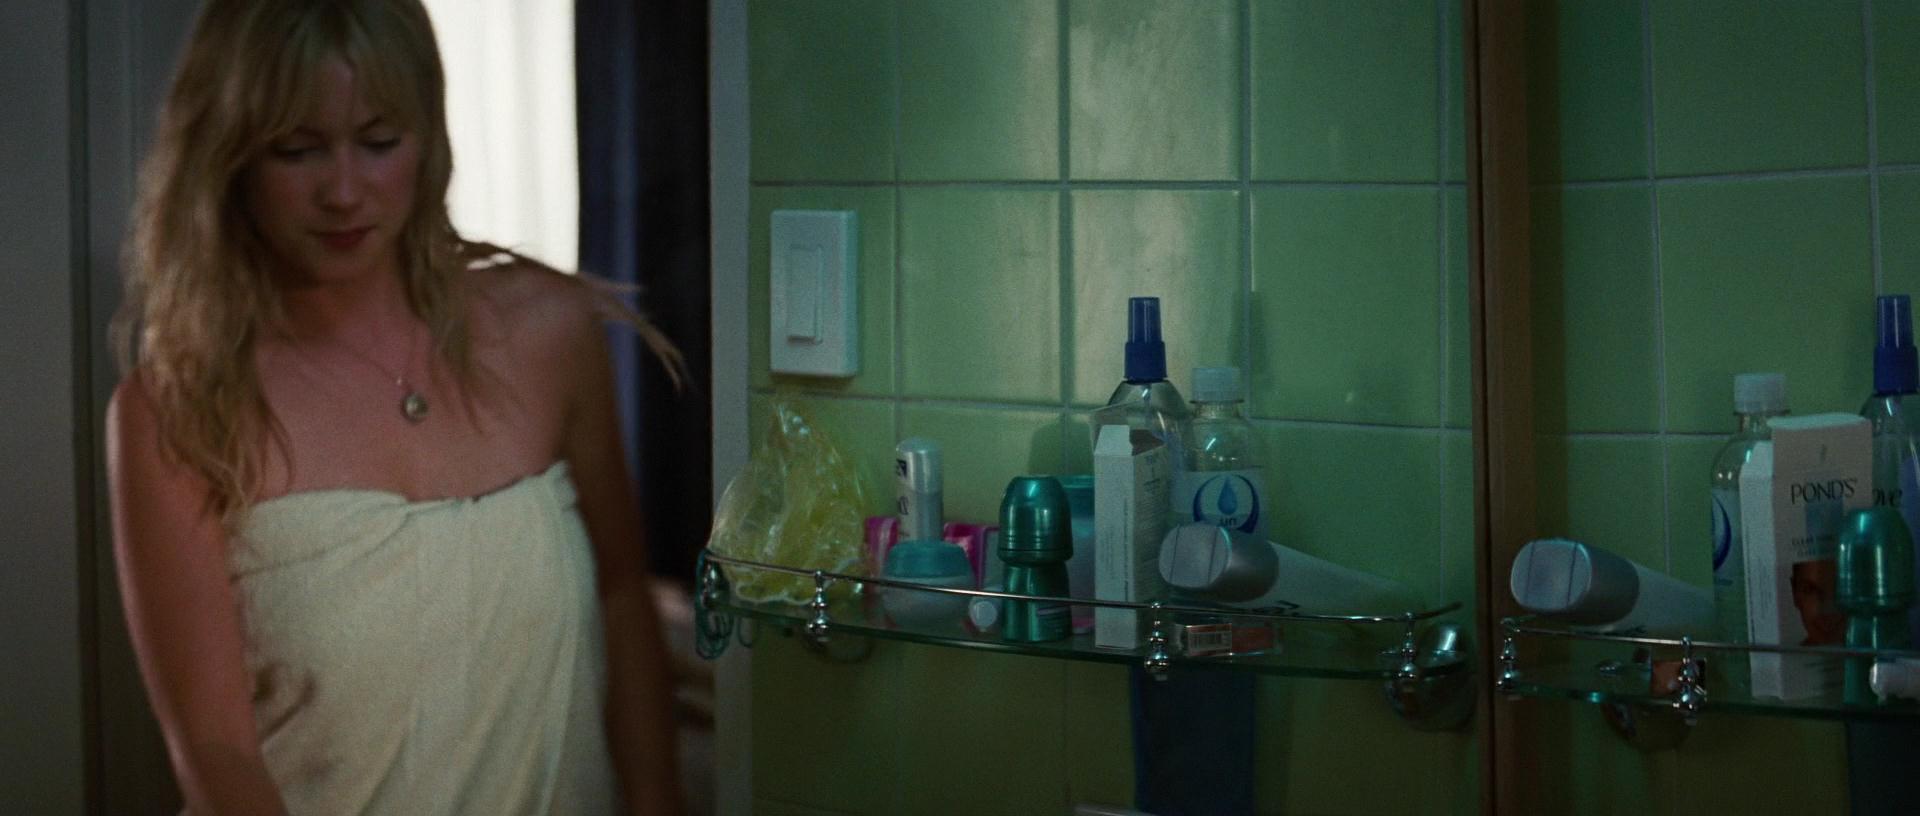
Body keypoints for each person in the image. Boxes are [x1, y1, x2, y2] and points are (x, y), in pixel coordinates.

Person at [104, 0, 685, 812]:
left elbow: (624, 596)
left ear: (428, 137)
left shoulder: (547, 331)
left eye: (379, 142)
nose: (344, 191)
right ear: (228, 155)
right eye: (298, 150)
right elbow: (215, 747)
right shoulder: (179, 409)